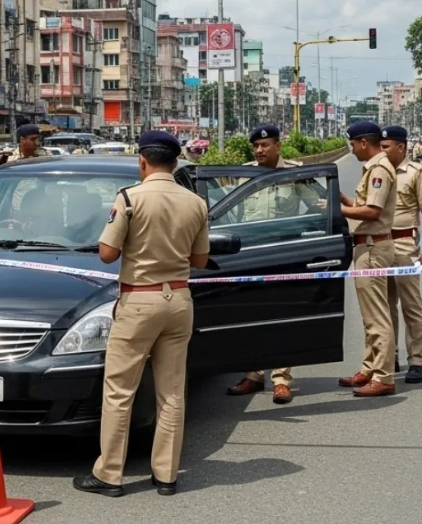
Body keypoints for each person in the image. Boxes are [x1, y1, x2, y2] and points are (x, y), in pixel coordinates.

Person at [73, 130, 210, 498]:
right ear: (176, 162)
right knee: (172, 392)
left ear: (143, 162)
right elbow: (199, 259)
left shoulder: (130, 198)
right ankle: (165, 475)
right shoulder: (195, 202)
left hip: (139, 301)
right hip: (179, 300)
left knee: (119, 391)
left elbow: (106, 253)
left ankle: (110, 474)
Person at [226, 124, 320, 405]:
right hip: (250, 256)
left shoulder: (294, 174)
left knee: (282, 317)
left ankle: (281, 380)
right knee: (250, 316)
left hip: (282, 255)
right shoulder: (244, 173)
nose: (259, 150)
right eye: (255, 146)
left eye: (265, 145)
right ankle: (253, 374)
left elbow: (318, 206)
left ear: (278, 146)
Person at [338, 121, 398, 398]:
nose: (352, 150)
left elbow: (373, 211)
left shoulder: (379, 170)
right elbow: (362, 204)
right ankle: (371, 368)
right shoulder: (374, 168)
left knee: (377, 317)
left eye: (352, 144)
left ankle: (384, 377)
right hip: (368, 246)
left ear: (363, 142)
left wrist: (339, 211)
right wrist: (339, 200)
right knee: (370, 316)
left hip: (373, 248)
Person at [380, 125, 422, 385]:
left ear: (401, 147)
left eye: (386, 147)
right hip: (380, 244)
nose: (382, 151)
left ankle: (417, 360)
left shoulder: (416, 172)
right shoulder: (377, 170)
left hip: (404, 245)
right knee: (385, 305)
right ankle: (389, 356)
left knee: (410, 304)